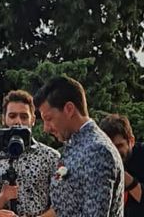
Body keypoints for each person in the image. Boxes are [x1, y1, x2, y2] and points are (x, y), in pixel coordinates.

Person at [34, 76, 123, 217]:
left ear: (69, 109)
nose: (46, 128)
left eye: (49, 119)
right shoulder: (75, 145)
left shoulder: (97, 150)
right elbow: (63, 208)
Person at [0, 90, 60, 216]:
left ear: (32, 119)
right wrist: (3, 197)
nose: (18, 122)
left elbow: (61, 205)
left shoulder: (50, 157)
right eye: (12, 116)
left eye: (24, 116)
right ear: (3, 119)